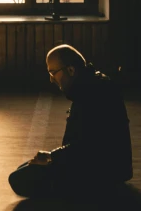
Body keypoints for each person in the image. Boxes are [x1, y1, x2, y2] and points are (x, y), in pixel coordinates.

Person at [8, 44, 133, 200]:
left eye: (53, 73)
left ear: (71, 70)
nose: (51, 79)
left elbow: (87, 148)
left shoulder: (90, 94)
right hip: (114, 166)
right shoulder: (93, 83)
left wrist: (51, 156)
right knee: (26, 168)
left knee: (19, 178)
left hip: (105, 171)